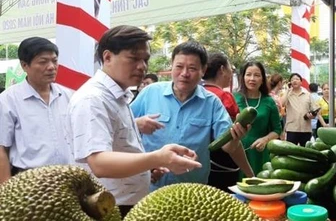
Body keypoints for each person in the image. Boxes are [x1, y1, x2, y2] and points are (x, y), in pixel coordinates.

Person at [65, 26, 201, 217]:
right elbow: (99, 163)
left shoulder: (118, 97)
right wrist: (158, 157)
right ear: (107, 57)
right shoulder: (92, 99)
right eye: (134, 58)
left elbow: (118, 149)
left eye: (145, 59)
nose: (142, 66)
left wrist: (147, 168)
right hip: (106, 208)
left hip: (125, 203)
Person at [131, 41, 248, 191]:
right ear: (172, 65)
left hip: (192, 193)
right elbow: (121, 130)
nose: (184, 74)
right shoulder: (150, 93)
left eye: (192, 68)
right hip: (149, 188)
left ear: (203, 70)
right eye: (179, 67)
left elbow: (227, 145)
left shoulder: (212, 103)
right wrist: (136, 123)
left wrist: (235, 136)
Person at [0, 37, 72, 184]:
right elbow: (2, 149)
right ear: (25, 65)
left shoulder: (68, 96)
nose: (51, 67)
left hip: (68, 179)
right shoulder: (8, 100)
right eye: (43, 62)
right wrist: (5, 190)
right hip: (28, 184)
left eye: (54, 60)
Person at [202, 52, 254, 191]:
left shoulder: (196, 93)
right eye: (230, 68)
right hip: (222, 166)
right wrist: (249, 173)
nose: (232, 74)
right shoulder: (224, 97)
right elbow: (232, 141)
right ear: (222, 69)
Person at [234, 61, 282, 176]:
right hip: (237, 152)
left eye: (257, 75)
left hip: (260, 152)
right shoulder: (234, 98)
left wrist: (265, 140)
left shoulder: (269, 101)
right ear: (243, 77)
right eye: (248, 74)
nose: (252, 79)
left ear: (262, 79)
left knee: (260, 187)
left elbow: (277, 130)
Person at [280, 73, 315, 147]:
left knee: (305, 153)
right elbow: (281, 104)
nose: (294, 81)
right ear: (290, 83)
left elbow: (314, 109)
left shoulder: (307, 95)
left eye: (297, 79)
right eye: (292, 80)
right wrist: (287, 90)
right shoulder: (288, 94)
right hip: (292, 128)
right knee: (291, 152)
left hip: (306, 129)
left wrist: (312, 115)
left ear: (301, 82)